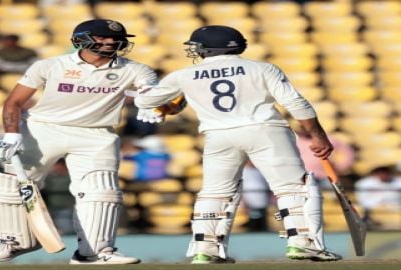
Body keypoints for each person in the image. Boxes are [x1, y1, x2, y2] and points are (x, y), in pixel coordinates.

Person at [135, 25, 342, 263]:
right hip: (265, 130)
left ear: (207, 48)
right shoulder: (262, 68)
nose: (194, 51)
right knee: (293, 187)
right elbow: (295, 102)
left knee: (215, 192)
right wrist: (317, 135)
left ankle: (206, 251)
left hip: (218, 136)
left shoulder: (184, 75)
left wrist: (172, 105)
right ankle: (304, 244)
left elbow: (145, 99)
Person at [0, 19, 159, 264]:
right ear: (81, 39)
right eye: (102, 38)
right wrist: (12, 133)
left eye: (115, 39)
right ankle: (14, 241)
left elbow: (151, 92)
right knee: (11, 185)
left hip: (96, 134)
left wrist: (155, 104)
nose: (111, 42)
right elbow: (14, 101)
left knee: (102, 191)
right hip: (43, 129)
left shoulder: (136, 69)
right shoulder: (50, 66)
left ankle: (95, 252)